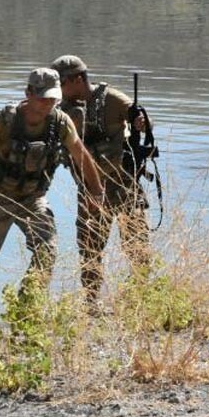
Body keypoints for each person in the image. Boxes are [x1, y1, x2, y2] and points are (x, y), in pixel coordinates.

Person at [0, 68, 105, 317]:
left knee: (47, 251)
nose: (47, 105)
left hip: (33, 199)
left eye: (52, 99)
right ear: (28, 93)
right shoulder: (4, 120)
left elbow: (81, 155)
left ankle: (24, 311)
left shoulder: (60, 123)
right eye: (42, 98)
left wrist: (97, 192)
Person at [51, 55, 152, 304]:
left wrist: (141, 122)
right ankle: (91, 304)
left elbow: (143, 121)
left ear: (77, 79)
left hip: (124, 186)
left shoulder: (112, 99)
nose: (57, 89)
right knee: (89, 250)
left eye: (61, 82)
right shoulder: (61, 107)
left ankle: (143, 298)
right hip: (89, 192)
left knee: (136, 247)